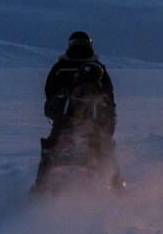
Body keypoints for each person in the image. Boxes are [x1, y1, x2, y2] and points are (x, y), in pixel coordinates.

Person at [34, 31, 124, 190]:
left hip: (65, 122)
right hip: (90, 123)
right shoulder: (99, 69)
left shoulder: (60, 67)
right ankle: (117, 190)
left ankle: (39, 188)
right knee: (108, 150)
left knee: (49, 150)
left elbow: (49, 93)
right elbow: (110, 99)